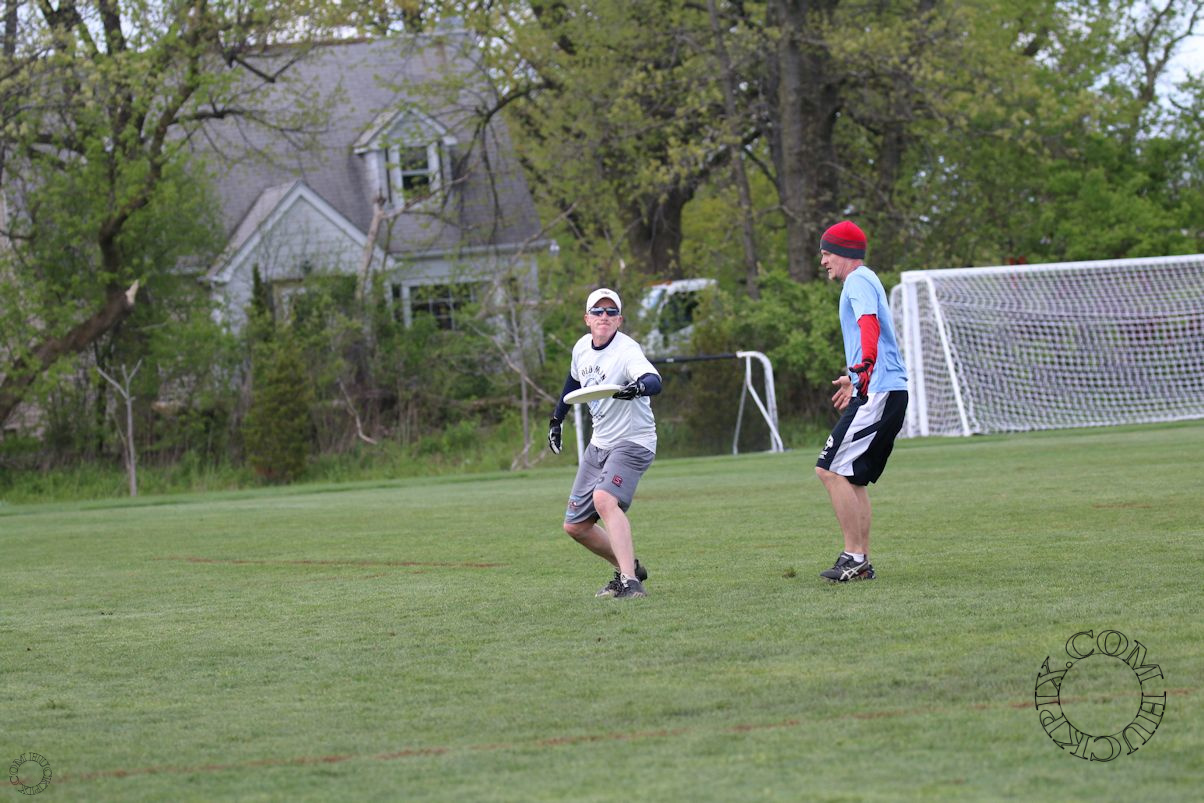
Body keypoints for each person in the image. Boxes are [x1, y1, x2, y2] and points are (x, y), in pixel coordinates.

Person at [547, 288, 663, 599]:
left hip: (634, 440)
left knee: (604, 499)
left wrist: (637, 387)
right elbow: (573, 383)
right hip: (600, 443)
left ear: (619, 320)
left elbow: (654, 380)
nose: (604, 316)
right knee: (576, 526)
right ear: (587, 318)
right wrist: (557, 419)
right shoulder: (581, 348)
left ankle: (631, 583)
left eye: (611, 312)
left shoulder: (627, 351)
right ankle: (629, 567)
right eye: (598, 311)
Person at [814, 221, 909, 582]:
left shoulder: (857, 280)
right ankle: (860, 561)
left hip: (878, 390)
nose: (823, 261)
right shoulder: (865, 280)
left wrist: (866, 365)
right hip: (881, 388)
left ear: (844, 253)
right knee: (852, 478)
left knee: (828, 470)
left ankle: (854, 558)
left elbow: (869, 323)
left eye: (827, 253)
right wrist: (853, 376)